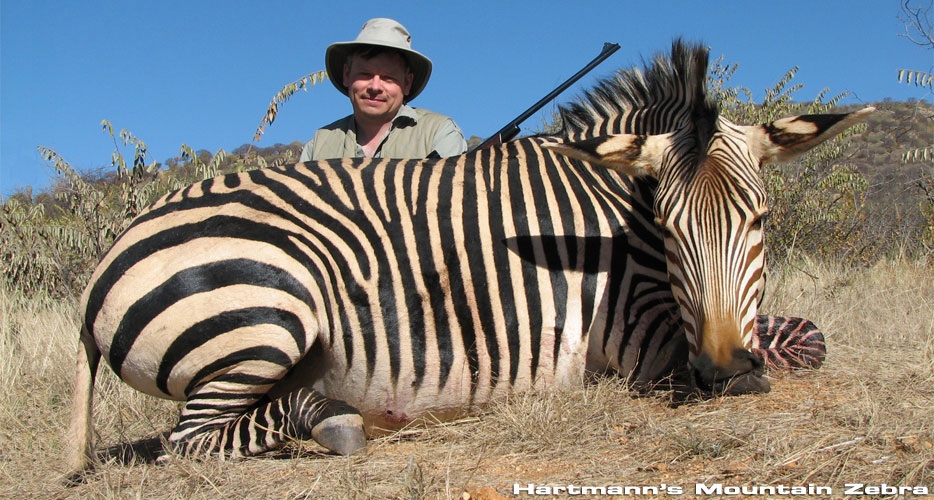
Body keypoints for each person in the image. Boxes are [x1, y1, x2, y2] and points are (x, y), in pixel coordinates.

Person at [300, 18, 467, 162]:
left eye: (388, 78)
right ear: (346, 75)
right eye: (365, 74)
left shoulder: (438, 133)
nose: (375, 87)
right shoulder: (318, 146)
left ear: (407, 83)